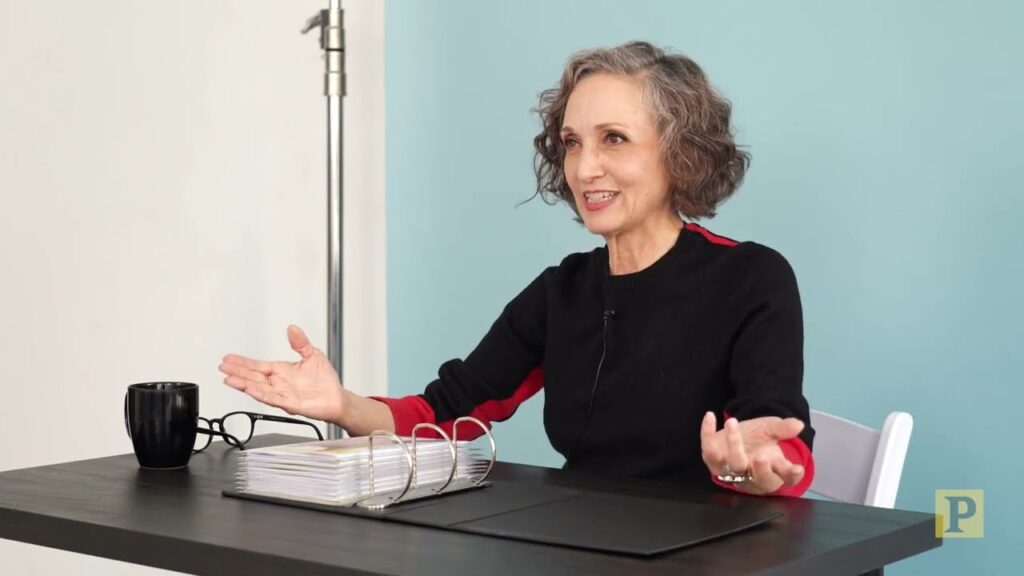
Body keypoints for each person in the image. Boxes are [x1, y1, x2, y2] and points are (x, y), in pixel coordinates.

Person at [219, 41, 815, 497]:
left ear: (679, 153)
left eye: (614, 139)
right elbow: (445, 414)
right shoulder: (563, 293)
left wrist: (749, 466)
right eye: (573, 142)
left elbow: (778, 440)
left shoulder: (751, 278)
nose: (584, 169)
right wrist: (342, 405)